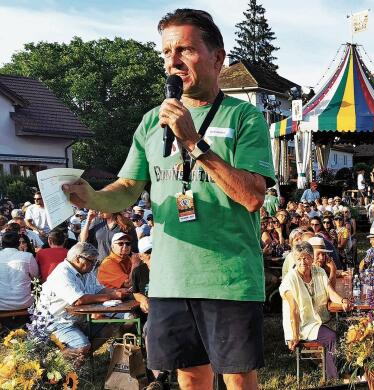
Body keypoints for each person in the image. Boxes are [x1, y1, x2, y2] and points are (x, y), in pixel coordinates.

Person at [61, 9, 276, 389]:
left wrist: (194, 142)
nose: (173, 61)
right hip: (170, 279)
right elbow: (128, 187)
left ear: (217, 57)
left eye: (186, 50)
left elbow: (253, 197)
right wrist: (91, 196)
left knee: (239, 381)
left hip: (228, 279)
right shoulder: (150, 121)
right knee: (190, 379)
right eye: (166, 52)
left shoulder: (244, 117)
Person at [36, 242, 128, 361]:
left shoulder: (86, 271)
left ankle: (83, 359)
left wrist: (119, 292)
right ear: (78, 259)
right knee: (82, 347)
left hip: (78, 320)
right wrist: (112, 296)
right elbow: (78, 300)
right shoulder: (62, 273)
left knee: (115, 323)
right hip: (56, 323)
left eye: (96, 262)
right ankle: (56, 361)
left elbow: (99, 289)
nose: (94, 265)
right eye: (91, 261)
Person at [280, 242, 351, 381]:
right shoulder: (290, 279)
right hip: (300, 325)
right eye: (299, 259)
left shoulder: (319, 272)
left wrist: (342, 301)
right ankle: (333, 377)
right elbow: (293, 310)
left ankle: (341, 369)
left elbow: (330, 292)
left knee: (343, 330)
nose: (303, 262)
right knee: (331, 337)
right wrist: (294, 335)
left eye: (306, 258)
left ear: (312, 258)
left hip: (316, 321)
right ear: (295, 260)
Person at [0, 231, 39, 330]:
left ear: (2, 243)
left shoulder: (27, 256)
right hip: (24, 303)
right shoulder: (27, 256)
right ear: (18, 243)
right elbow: (36, 277)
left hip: (2, 305)